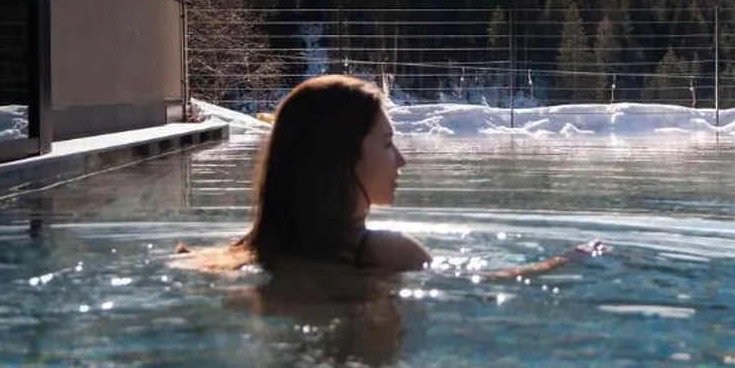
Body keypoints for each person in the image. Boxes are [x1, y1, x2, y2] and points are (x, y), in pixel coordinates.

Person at [177, 73, 608, 277]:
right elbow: (479, 286)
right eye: (386, 144)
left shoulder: (243, 255)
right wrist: (566, 263)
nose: (401, 160)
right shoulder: (385, 253)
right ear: (343, 157)